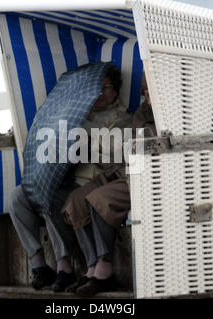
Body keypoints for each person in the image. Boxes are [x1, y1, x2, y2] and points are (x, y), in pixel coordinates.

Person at [8, 64, 130, 292]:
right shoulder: (77, 113)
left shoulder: (119, 118)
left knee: (48, 193)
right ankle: (39, 264)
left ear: (116, 91)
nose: (101, 93)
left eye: (107, 87)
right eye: (97, 88)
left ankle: (64, 266)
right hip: (66, 178)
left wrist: (82, 135)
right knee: (18, 195)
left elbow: (113, 150)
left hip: (90, 181)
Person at [61, 73, 157, 297]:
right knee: (76, 201)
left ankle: (105, 271)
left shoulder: (139, 115)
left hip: (142, 175)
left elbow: (134, 148)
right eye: (144, 93)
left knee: (99, 199)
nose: (147, 98)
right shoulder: (143, 113)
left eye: (150, 92)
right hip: (119, 171)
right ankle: (92, 267)